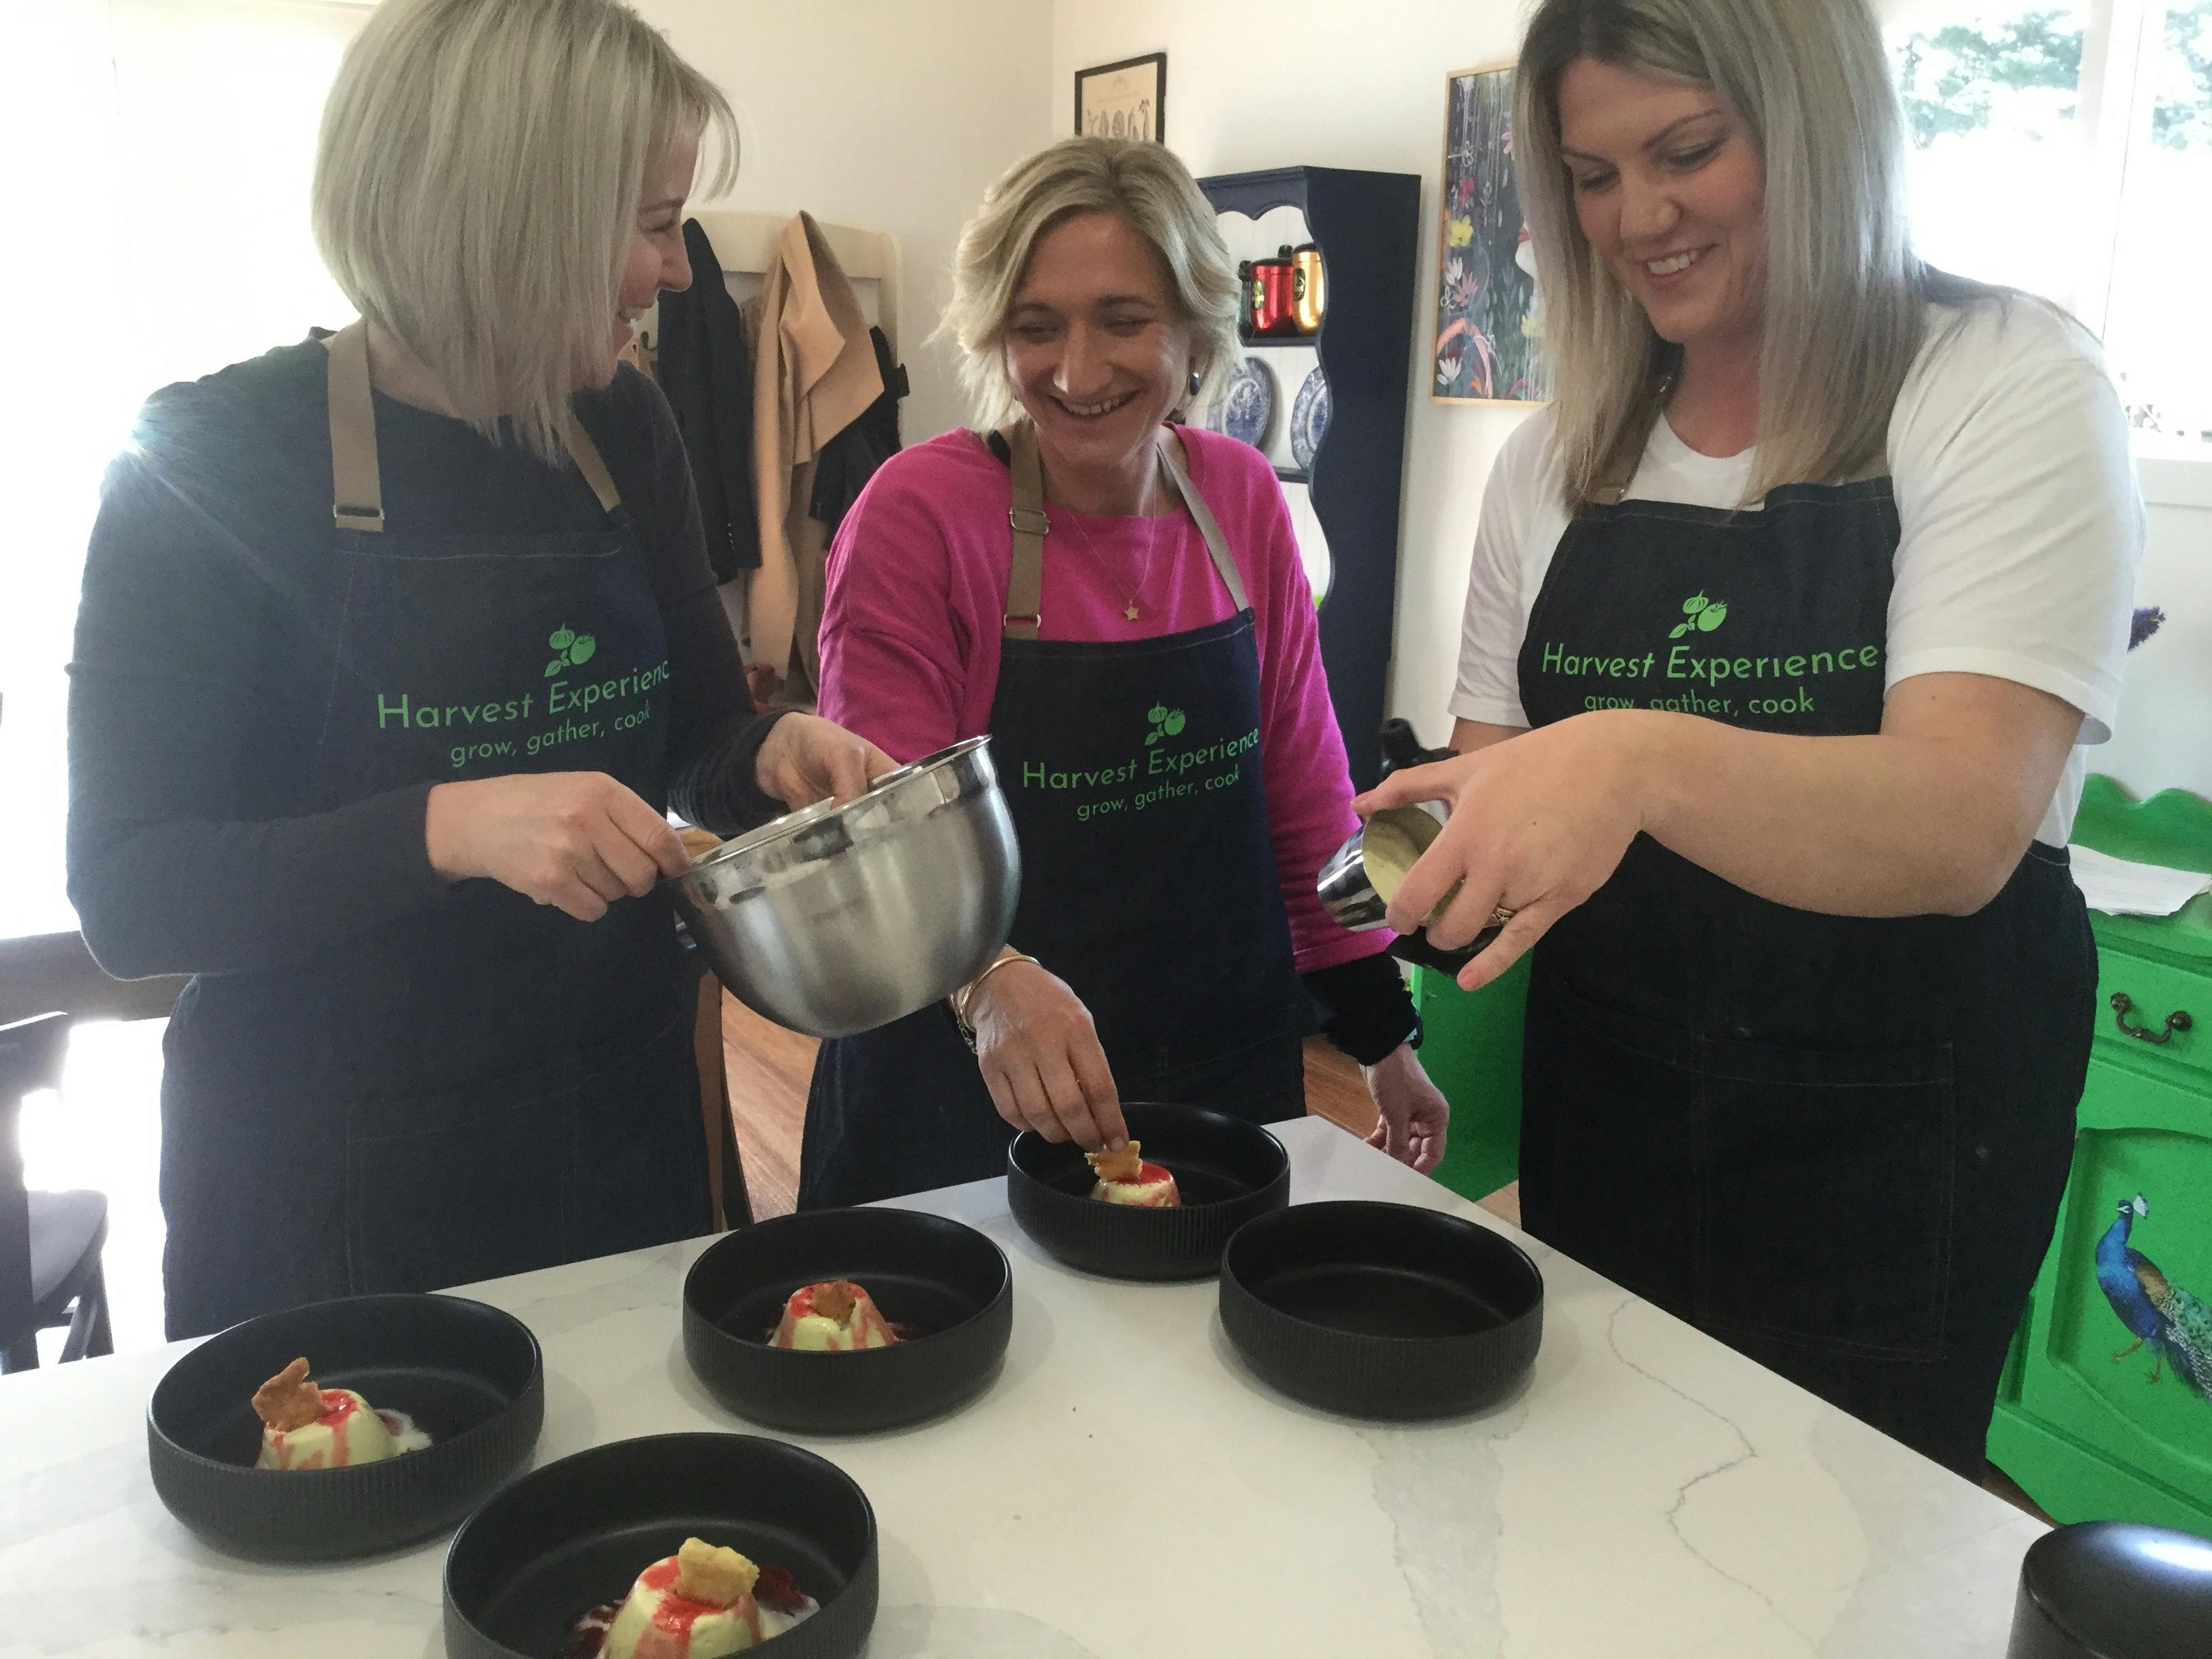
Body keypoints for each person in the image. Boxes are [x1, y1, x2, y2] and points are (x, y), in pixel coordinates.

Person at [1358, 0, 2142, 1477]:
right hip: (1619, 1102)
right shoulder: (1554, 461)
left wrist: (1632, 759)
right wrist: (1362, 919)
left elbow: (1961, 821)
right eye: (1592, 175)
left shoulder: (2000, 384)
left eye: (1688, 151)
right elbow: (1493, 825)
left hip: (1907, 1142)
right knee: (1607, 1502)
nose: (1637, 216)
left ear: (1820, 125)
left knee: (1845, 1551)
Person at [66, 0, 889, 1339]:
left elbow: (692, 728)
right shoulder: (214, 461)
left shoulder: (622, 424)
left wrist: (768, 756)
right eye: (646, 222)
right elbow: (134, 895)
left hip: (616, 1141)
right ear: (508, 214)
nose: (676, 272)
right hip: (330, 1195)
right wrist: (450, 826)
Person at [800, 138, 1450, 1207]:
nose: (1076, 371)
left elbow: (1302, 791)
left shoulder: (1239, 500)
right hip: (971, 1080)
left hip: (1219, 1076)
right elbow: (888, 830)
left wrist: (1381, 1033)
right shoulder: (921, 517)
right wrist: (991, 980)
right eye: (1035, 326)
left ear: (1195, 330)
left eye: (1123, 319)